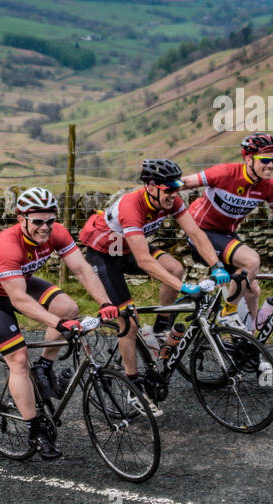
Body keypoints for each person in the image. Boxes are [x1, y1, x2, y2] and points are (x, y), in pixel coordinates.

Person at [0, 186, 119, 460]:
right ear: (20, 218)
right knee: (19, 359)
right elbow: (19, 300)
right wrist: (59, 324)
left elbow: (82, 269)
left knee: (68, 307)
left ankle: (45, 367)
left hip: (19, 281)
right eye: (37, 221)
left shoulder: (56, 232)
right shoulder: (8, 245)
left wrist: (106, 303)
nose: (45, 227)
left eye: (49, 220)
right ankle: (35, 429)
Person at [77, 158, 229, 411]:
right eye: (168, 189)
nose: (174, 193)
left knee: (176, 268)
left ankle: (160, 330)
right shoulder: (131, 206)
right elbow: (144, 261)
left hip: (126, 247)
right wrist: (183, 288)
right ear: (150, 187)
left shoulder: (172, 199)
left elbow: (196, 233)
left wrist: (217, 265)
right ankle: (133, 385)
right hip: (103, 255)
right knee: (129, 319)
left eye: (177, 187)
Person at [180, 133, 273, 330]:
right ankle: (227, 313)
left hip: (224, 235)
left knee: (252, 290)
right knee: (251, 260)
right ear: (248, 159)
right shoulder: (225, 173)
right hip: (201, 233)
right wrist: (154, 191)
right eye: (265, 160)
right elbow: (185, 183)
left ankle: (248, 342)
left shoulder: (268, 186)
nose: (270, 165)